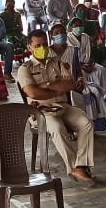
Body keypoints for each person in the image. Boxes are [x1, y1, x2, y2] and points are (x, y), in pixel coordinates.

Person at [17, 29, 96, 184]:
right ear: (29, 48)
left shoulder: (57, 63)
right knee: (57, 128)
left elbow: (69, 84)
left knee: (86, 123)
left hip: (62, 106)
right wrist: (55, 90)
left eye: (45, 44)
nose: (42, 48)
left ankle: (81, 164)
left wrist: (46, 85)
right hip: (40, 112)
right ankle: (74, 167)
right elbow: (33, 93)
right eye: (38, 45)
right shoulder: (25, 69)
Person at [59, 20, 106, 131]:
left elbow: (90, 52)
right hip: (78, 65)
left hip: (86, 62)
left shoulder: (85, 37)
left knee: (101, 70)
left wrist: (90, 63)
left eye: (80, 25)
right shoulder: (68, 39)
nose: (78, 27)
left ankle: (103, 98)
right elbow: (72, 62)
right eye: (75, 26)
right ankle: (85, 107)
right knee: (80, 77)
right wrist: (81, 66)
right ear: (71, 28)